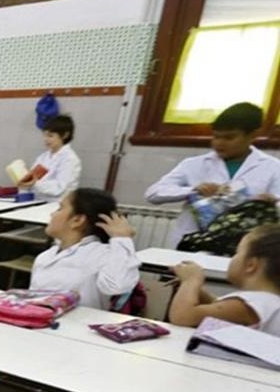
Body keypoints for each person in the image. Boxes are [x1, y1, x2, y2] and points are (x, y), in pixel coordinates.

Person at [145, 103, 280, 245]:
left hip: (242, 246)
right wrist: (193, 190)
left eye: (229, 138)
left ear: (253, 135)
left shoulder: (272, 167)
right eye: (216, 137)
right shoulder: (194, 164)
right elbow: (153, 194)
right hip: (192, 242)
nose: (219, 143)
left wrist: (271, 203)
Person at [30, 188, 139, 309]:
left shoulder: (102, 254)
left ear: (77, 220)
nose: (52, 214)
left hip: (80, 321)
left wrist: (122, 239)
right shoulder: (45, 257)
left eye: (60, 208)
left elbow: (117, 286)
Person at [169, 224, 280, 336]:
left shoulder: (253, 304)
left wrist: (191, 281)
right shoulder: (267, 301)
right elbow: (217, 307)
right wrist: (195, 291)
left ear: (251, 265)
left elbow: (182, 316)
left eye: (236, 253)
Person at [18, 114, 80, 198]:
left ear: (65, 135)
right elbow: (32, 181)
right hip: (37, 201)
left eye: (50, 136)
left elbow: (59, 188)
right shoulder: (43, 157)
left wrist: (35, 183)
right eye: (44, 135)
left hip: (58, 203)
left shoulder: (70, 159)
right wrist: (24, 183)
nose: (46, 139)